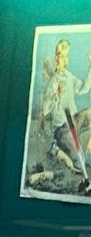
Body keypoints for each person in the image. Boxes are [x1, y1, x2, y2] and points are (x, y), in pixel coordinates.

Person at [39, 38, 91, 192]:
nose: (65, 60)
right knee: (78, 162)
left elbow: (83, 89)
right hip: (62, 129)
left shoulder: (69, 76)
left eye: (67, 56)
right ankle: (63, 155)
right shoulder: (53, 81)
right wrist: (55, 96)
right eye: (62, 56)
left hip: (74, 120)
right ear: (57, 58)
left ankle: (86, 156)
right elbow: (45, 109)